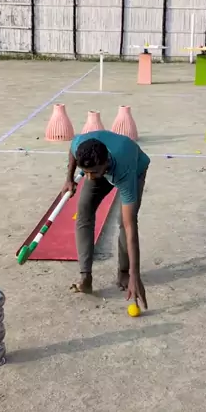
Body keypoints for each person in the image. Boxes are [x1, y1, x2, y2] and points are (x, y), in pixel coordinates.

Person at [62, 131, 150, 308]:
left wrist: (135, 275)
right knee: (84, 212)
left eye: (92, 172)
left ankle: (124, 272)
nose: (88, 177)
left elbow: (130, 226)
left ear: (106, 161)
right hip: (102, 167)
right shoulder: (81, 146)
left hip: (135, 168)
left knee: (124, 221)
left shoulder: (124, 171)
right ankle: (85, 276)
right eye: (85, 172)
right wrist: (69, 179)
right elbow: (72, 150)